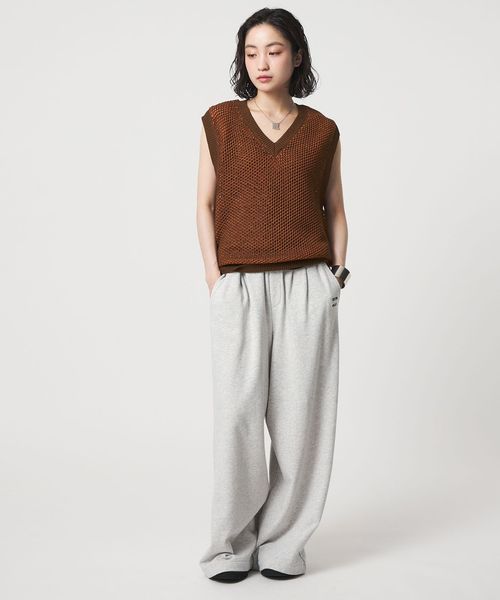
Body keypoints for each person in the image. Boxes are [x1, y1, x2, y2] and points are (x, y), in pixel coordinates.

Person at [196, 7, 351, 584]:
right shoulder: (220, 121)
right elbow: (204, 204)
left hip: (307, 282)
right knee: (237, 418)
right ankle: (231, 546)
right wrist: (215, 279)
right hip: (240, 283)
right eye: (251, 51)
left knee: (299, 423)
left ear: (297, 55)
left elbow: (335, 208)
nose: (261, 62)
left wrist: (336, 277)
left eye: (275, 50)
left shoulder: (323, 130)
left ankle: (284, 545)